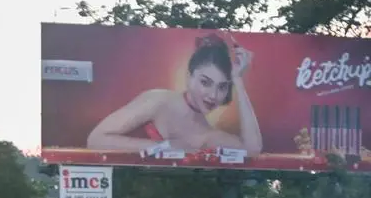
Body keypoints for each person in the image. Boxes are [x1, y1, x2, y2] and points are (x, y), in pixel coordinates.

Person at [86, 33, 263, 156]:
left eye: (222, 87)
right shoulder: (158, 101)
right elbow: (96, 139)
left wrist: (238, 80)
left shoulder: (209, 135)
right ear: (188, 77)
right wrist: (164, 147)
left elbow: (253, 150)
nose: (213, 95)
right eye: (205, 82)